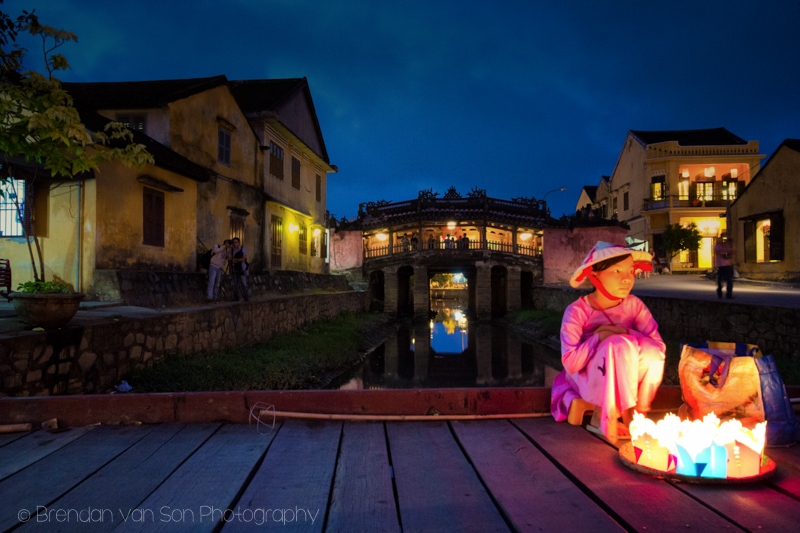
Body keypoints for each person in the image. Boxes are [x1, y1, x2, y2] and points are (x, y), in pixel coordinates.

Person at [550, 241, 666, 442]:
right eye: (617, 271)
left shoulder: (634, 305)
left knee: (651, 351)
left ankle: (638, 412)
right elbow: (571, 363)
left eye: (630, 271)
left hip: (627, 373)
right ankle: (601, 416)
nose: (626, 279)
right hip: (587, 377)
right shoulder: (577, 311)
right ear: (595, 275)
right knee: (618, 346)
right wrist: (600, 337)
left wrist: (621, 331)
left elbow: (659, 345)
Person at [230, 237, 250, 301]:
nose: (234, 244)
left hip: (242, 269)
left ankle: (246, 297)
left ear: (238, 243)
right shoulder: (232, 250)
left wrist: (236, 260)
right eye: (233, 242)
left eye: (236, 242)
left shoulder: (242, 249)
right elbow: (231, 259)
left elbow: (243, 259)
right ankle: (236, 297)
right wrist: (237, 260)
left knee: (244, 284)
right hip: (235, 269)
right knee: (235, 284)